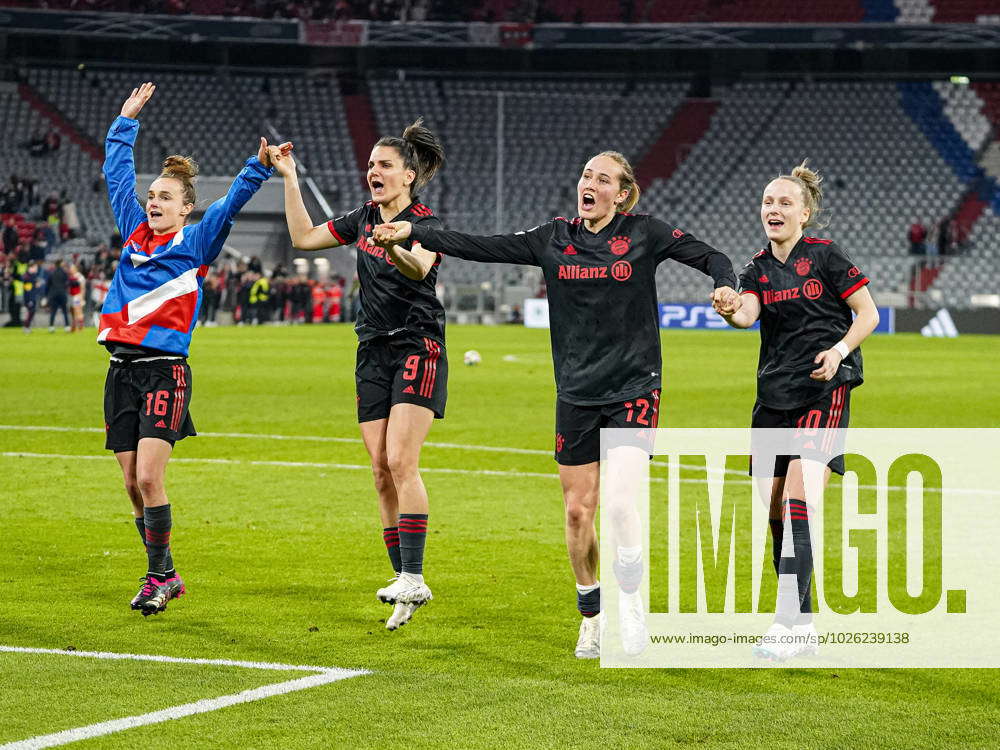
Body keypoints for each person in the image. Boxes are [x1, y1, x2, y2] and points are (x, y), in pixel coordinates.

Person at [372, 150, 739, 658]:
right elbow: (480, 245)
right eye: (586, 174)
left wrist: (725, 285)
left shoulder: (645, 233)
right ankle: (592, 612)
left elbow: (711, 257)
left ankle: (631, 605)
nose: (590, 183)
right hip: (576, 392)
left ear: (623, 193)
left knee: (619, 504)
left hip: (635, 387)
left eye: (603, 179)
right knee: (575, 512)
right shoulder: (554, 238)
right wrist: (414, 232)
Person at [99, 82, 289, 616]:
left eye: (165, 198)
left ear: (185, 210)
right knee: (132, 487)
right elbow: (116, 174)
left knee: (148, 477)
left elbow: (228, 206)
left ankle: (159, 577)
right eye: (152, 196)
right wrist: (124, 120)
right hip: (119, 372)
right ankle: (165, 572)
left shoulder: (196, 243)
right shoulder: (134, 234)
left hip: (165, 372)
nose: (154, 202)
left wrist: (257, 169)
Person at [267, 117, 446, 631]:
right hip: (372, 350)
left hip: (418, 343)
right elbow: (302, 237)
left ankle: (413, 574)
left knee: (400, 459)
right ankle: (404, 583)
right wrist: (290, 177)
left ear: (408, 175)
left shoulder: (426, 222)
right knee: (379, 470)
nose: (374, 171)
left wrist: (393, 244)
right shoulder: (364, 217)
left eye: (384, 165)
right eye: (370, 164)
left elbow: (418, 267)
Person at [712, 160, 879, 660]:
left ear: (805, 214)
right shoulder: (756, 269)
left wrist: (839, 351)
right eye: (768, 202)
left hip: (823, 392)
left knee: (797, 503)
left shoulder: (826, 257)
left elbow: (867, 313)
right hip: (773, 400)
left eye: (785, 202)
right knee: (775, 511)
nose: (774, 209)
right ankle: (802, 624)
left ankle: (787, 625)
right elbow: (746, 314)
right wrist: (728, 307)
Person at [46, 258, 70, 332]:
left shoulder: (51, 273)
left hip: (53, 294)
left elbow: (48, 285)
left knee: (53, 311)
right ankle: (67, 326)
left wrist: (47, 295)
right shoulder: (64, 273)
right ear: (60, 264)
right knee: (65, 311)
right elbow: (67, 283)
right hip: (62, 293)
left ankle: (51, 327)